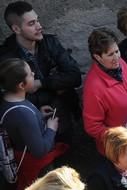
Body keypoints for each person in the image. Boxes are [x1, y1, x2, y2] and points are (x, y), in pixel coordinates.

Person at [0, 2, 81, 137]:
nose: (39, 26)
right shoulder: (6, 57)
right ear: (16, 29)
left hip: (62, 110)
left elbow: (75, 76)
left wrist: (40, 83)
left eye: (38, 20)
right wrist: (36, 109)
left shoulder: (50, 43)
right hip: (30, 119)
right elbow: (8, 97)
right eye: (31, 24)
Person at [0, 57, 67, 190]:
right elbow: (39, 150)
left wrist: (39, 116)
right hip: (36, 171)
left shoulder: (7, 100)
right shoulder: (22, 113)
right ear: (21, 85)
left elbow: (20, 129)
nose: (34, 75)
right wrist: (51, 129)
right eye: (30, 74)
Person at [82, 29, 127, 155]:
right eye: (110, 54)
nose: (116, 57)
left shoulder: (121, 64)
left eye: (117, 51)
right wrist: (120, 136)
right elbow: (92, 127)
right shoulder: (93, 87)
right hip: (120, 149)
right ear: (97, 57)